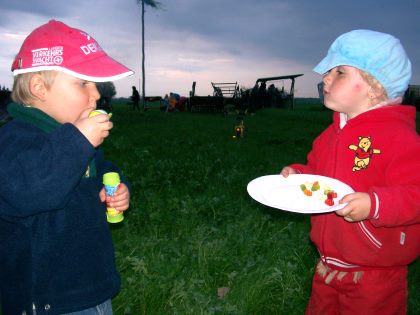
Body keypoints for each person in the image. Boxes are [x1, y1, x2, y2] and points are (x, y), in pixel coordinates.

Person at [280, 30, 420, 315]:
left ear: (374, 85)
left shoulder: (399, 138)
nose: (326, 78)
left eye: (339, 72)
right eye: (328, 71)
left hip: (375, 273)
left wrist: (375, 204)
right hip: (328, 266)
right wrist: (299, 175)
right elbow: (320, 177)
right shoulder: (329, 135)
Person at [0, 20, 133, 314]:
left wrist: (118, 188)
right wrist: (79, 139)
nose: (96, 94)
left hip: (91, 284)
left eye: (95, 85)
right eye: (83, 83)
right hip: (49, 301)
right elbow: (31, 191)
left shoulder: (73, 136)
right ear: (39, 88)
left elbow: (101, 169)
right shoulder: (14, 140)